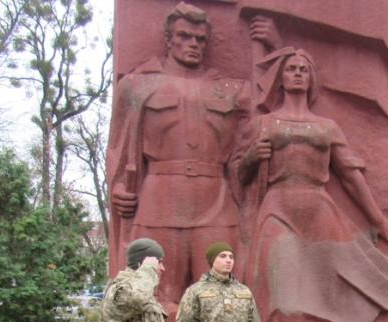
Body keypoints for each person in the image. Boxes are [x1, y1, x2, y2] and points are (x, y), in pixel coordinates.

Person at [237, 48, 388, 322]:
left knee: (328, 305)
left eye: (304, 69)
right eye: (291, 69)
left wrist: (377, 218)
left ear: (311, 77)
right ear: (281, 78)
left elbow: (350, 176)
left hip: (320, 216)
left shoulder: (327, 127)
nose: (298, 74)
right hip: (278, 211)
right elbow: (239, 176)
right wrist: (252, 157)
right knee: (284, 307)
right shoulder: (264, 124)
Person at [106, 2, 278, 306]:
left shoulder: (230, 89)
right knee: (157, 299)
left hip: (215, 201)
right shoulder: (137, 85)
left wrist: (272, 45)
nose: (193, 44)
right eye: (185, 36)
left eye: (200, 39)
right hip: (158, 200)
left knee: (223, 299)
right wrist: (118, 187)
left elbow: (270, 110)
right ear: (169, 39)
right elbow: (119, 149)